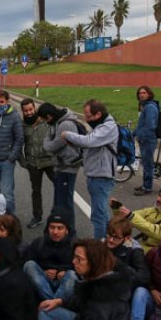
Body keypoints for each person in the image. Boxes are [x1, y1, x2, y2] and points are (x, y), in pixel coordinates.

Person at [62, 99, 117, 239]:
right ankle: (110, 240)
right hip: (95, 174)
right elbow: (88, 145)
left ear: (98, 114)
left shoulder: (108, 127)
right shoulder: (99, 125)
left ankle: (99, 247)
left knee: (98, 215)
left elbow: (89, 141)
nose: (86, 118)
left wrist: (68, 134)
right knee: (102, 213)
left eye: (88, 115)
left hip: (101, 176)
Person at [22, 209, 76, 302]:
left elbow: (84, 269)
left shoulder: (75, 246)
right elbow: (25, 263)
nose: (55, 232)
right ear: (47, 228)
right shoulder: (38, 243)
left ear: (67, 230)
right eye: (52, 227)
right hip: (42, 282)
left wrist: (65, 272)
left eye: (60, 228)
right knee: (29, 265)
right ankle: (53, 303)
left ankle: (50, 304)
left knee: (72, 275)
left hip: (65, 283)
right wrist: (44, 271)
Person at [18, 99, 56, 228]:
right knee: (36, 191)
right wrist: (24, 162)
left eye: (30, 109)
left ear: (34, 108)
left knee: (60, 187)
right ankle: (37, 216)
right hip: (33, 164)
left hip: (50, 161)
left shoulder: (46, 121)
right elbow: (17, 145)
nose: (29, 113)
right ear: (22, 111)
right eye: (26, 110)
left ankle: (59, 215)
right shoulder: (21, 126)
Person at [116, 184, 161, 253]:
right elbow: (128, 219)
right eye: (159, 195)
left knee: (119, 256)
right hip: (140, 246)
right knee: (114, 244)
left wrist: (131, 216)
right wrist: (117, 209)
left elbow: (158, 232)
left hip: (155, 253)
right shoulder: (153, 210)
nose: (158, 199)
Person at [39, 102, 81, 214]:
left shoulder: (65, 125)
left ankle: (70, 230)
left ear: (49, 116)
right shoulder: (58, 122)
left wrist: (46, 139)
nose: (45, 122)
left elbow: (51, 146)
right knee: (60, 200)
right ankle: (60, 225)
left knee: (65, 202)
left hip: (68, 166)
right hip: (62, 166)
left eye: (44, 120)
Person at [0, 90, 23, 214]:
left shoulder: (15, 117)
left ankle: (10, 218)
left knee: (7, 193)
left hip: (7, 162)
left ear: (7, 101)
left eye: (2, 102)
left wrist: (11, 157)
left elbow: (19, 139)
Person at [133, 85, 159, 195]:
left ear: (149, 94)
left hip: (148, 139)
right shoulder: (144, 106)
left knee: (148, 164)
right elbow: (141, 124)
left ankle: (147, 187)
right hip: (144, 139)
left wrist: (142, 135)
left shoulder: (150, 107)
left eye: (144, 93)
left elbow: (150, 125)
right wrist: (133, 133)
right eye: (140, 93)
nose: (141, 95)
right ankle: (145, 184)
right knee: (145, 162)